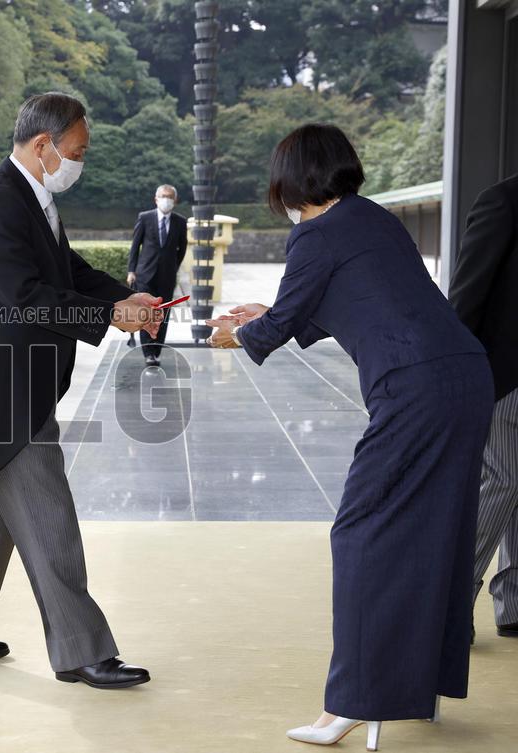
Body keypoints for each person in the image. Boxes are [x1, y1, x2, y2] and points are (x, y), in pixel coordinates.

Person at [205, 124, 493, 749]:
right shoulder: (372, 218)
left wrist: (240, 333)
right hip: (466, 375)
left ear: (291, 176)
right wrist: (269, 317)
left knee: (363, 531)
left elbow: (286, 318)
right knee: (439, 527)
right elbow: (353, 300)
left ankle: (353, 702)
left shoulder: (314, 233)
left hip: (414, 387)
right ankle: (425, 685)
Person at [0, 92, 160, 689]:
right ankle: (82, 651)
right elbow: (27, 297)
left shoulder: (30, 196)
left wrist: (122, 300)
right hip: (7, 398)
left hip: (16, 387)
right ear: (43, 145)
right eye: (76, 152)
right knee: (51, 523)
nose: (80, 163)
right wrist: (110, 319)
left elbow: (64, 272)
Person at [448, 173, 518, 640]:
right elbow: (466, 294)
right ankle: (450, 603)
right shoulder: (504, 201)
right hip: (507, 373)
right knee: (501, 482)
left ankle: (512, 603)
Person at [126, 184, 188, 365]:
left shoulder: (180, 221)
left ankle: (157, 349)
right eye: (163, 196)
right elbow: (135, 246)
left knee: (163, 314)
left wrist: (173, 267)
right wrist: (132, 270)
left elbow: (182, 249)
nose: (166, 199)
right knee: (146, 313)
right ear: (156, 199)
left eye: (170, 197)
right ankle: (148, 353)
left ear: (175, 200)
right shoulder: (145, 218)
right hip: (144, 275)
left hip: (167, 277)